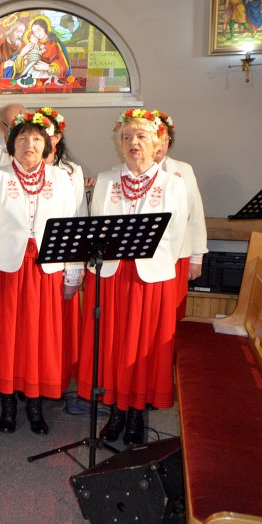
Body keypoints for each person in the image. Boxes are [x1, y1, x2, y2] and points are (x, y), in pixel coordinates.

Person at [76, 109, 187, 445]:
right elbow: (96, 225)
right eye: (127, 137)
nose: (133, 143)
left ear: (157, 144)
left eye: (141, 137)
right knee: (112, 344)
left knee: (142, 346)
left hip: (149, 279)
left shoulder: (172, 184)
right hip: (111, 275)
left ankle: (137, 412)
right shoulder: (107, 180)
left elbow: (176, 236)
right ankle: (116, 411)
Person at [0, 110, 80, 435]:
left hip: (46, 273)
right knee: (8, 339)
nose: (29, 144)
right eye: (22, 138)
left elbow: (71, 228)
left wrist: (72, 272)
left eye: (35, 138)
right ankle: (7, 405)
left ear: (47, 144)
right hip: (7, 271)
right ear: (11, 143)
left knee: (39, 340)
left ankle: (35, 405)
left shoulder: (61, 178)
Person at [41, 107, 88, 379]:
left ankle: (54, 373)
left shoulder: (70, 171)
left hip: (60, 253)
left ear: (57, 137)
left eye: (46, 132)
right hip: (29, 254)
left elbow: (77, 216)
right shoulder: (16, 166)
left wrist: (75, 264)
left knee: (55, 322)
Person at [152, 109, 207, 320]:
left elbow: (195, 214)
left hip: (178, 253)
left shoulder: (183, 170)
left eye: (165, 139)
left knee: (171, 312)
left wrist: (197, 257)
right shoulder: (129, 171)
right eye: (155, 138)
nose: (160, 145)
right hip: (146, 254)